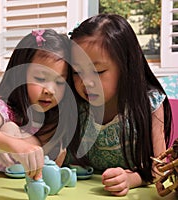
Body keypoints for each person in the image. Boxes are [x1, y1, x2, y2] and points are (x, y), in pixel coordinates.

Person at [67, 13, 172, 196]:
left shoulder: (150, 105)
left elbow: (159, 169)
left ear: (126, 67)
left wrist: (132, 179)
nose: (86, 82)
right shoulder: (76, 106)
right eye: (77, 72)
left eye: (98, 71)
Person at [0, 29, 77, 180]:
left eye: (59, 82)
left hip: (20, 190)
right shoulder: (2, 107)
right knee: (9, 128)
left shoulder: (54, 117)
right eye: (40, 78)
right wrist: (11, 143)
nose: (50, 90)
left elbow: (41, 154)